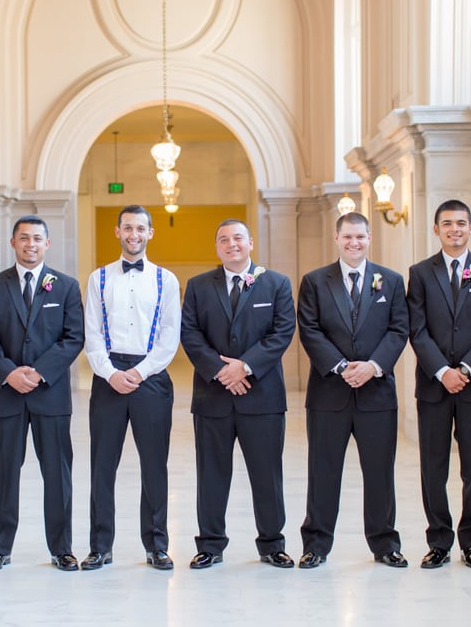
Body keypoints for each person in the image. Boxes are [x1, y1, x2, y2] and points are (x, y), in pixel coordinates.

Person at [180, 219, 296, 570]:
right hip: (213, 396)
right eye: (224, 239)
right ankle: (210, 545)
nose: (231, 244)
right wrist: (220, 371)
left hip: (262, 396)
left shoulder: (276, 283)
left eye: (238, 238)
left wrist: (243, 367)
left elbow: (282, 332)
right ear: (217, 247)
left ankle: (272, 544)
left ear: (251, 243)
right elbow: (190, 333)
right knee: (211, 473)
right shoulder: (199, 286)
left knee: (267, 473)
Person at [296, 211, 410, 569]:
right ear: (337, 238)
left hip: (376, 393)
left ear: (369, 238)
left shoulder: (390, 281)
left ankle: (384, 543)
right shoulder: (315, 281)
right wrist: (343, 367)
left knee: (379, 471)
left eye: (360, 237)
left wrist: (373, 366)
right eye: (347, 237)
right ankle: (316, 544)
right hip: (330, 392)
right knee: (323, 471)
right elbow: (310, 330)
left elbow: (398, 329)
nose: (354, 243)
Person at [0, 215, 85, 572]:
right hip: (7, 395)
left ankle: (61, 548)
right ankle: (0, 547)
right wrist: (9, 373)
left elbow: (73, 337)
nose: (31, 244)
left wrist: (39, 373)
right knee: (5, 472)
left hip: (50, 395)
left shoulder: (66, 287)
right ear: (13, 243)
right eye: (24, 238)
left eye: (37, 238)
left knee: (57, 472)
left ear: (47, 244)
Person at [81, 205, 181, 571]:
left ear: (150, 233)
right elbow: (91, 333)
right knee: (102, 466)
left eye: (140, 228)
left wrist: (138, 373)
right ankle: (100, 546)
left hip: (150, 377)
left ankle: (156, 545)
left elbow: (170, 337)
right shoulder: (99, 278)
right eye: (127, 228)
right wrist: (110, 373)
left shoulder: (166, 280)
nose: (133, 234)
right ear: (117, 232)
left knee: (154, 465)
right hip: (108, 375)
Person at [407, 200, 471, 570]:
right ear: (436, 230)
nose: (454, 229)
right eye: (447, 224)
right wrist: (441, 371)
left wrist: (465, 369)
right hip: (433, 387)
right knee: (433, 466)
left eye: (461, 223)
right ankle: (438, 541)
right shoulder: (419, 273)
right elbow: (415, 329)